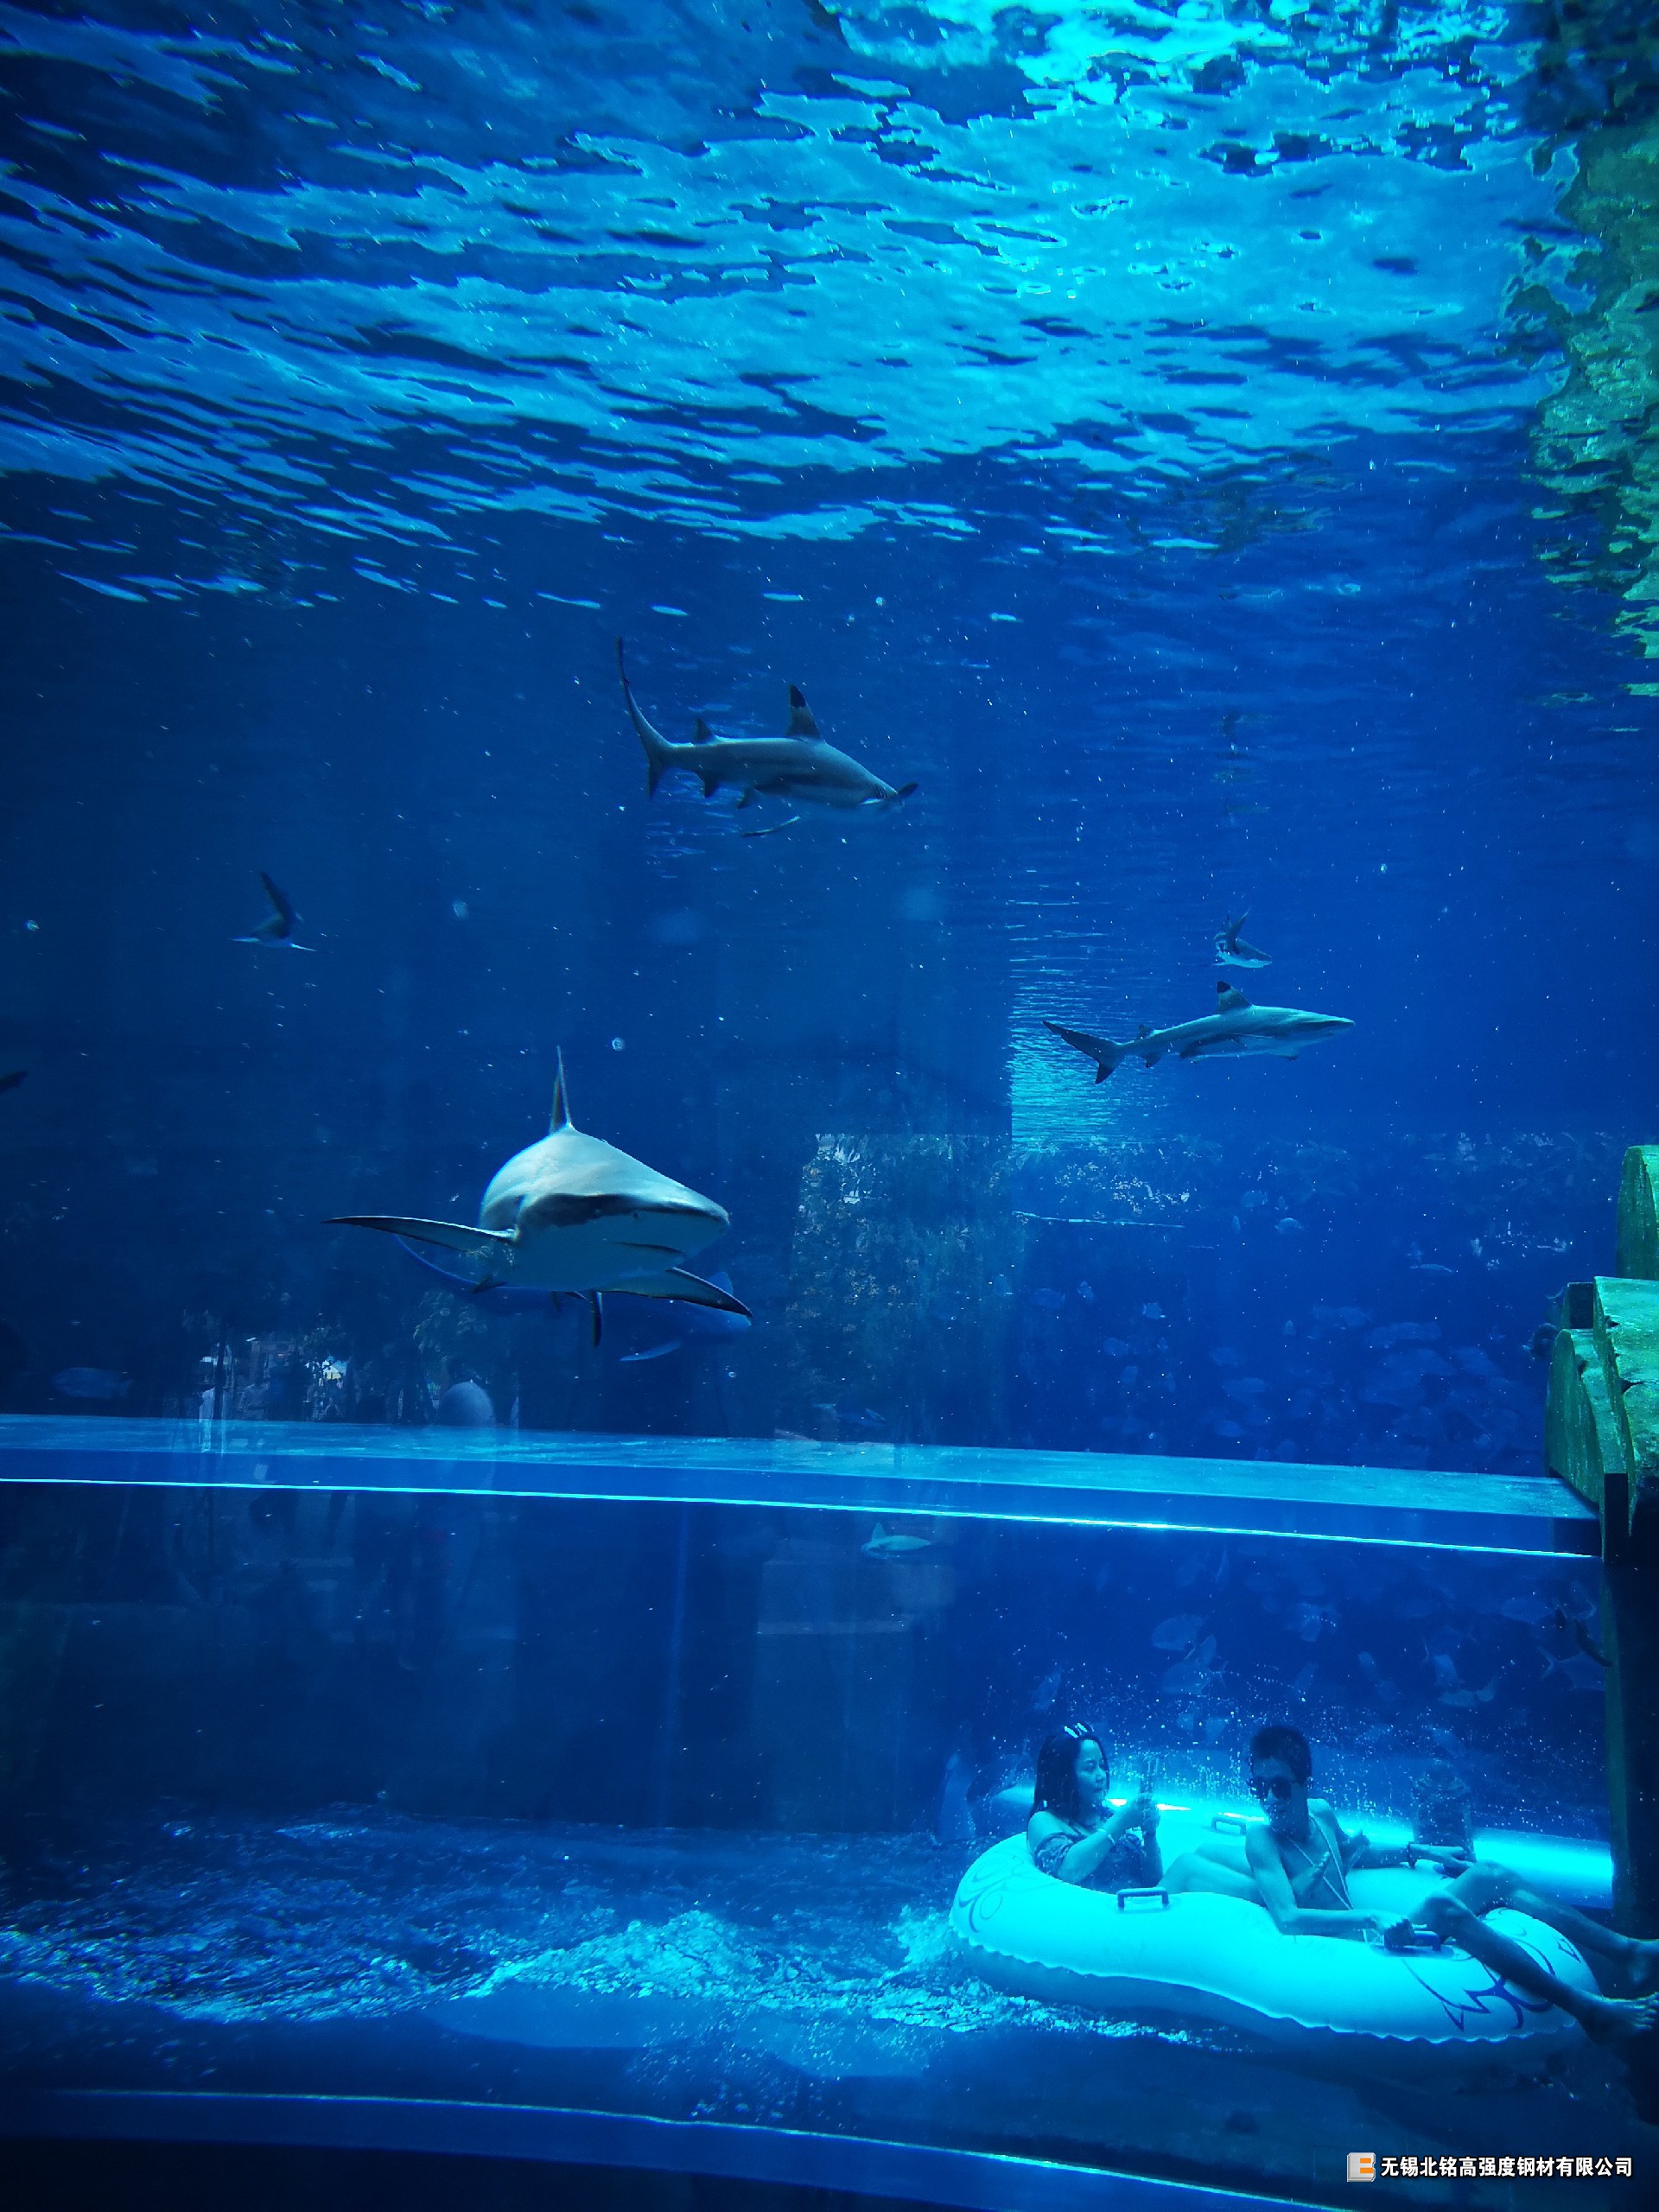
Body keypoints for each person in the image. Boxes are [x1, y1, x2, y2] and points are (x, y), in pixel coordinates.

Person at [1245, 1724, 1659, 2045]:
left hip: (1376, 1930)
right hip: (1352, 1952)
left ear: (1305, 1783)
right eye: (1259, 1787)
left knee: (1491, 1873)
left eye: (1279, 1786)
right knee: (1443, 1908)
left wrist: (1421, 1850)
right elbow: (1288, 1918)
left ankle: (1628, 1950)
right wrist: (1372, 1916)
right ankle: (1587, 2010)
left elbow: (1354, 1854)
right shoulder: (1262, 1840)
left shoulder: (1320, 1813)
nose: (1269, 1799)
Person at [1029, 1726, 1256, 1897]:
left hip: (1140, 1909)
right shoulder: (1044, 1820)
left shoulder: (1105, 1815)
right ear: (1063, 1776)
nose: (1101, 1775)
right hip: (1112, 1918)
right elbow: (1068, 1870)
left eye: (1102, 1766)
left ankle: (1272, 1881)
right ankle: (1270, 1899)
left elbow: (1152, 1881)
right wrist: (1120, 1823)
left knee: (1207, 1851)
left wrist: (1149, 1834)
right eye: (1090, 1768)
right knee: (1186, 1866)